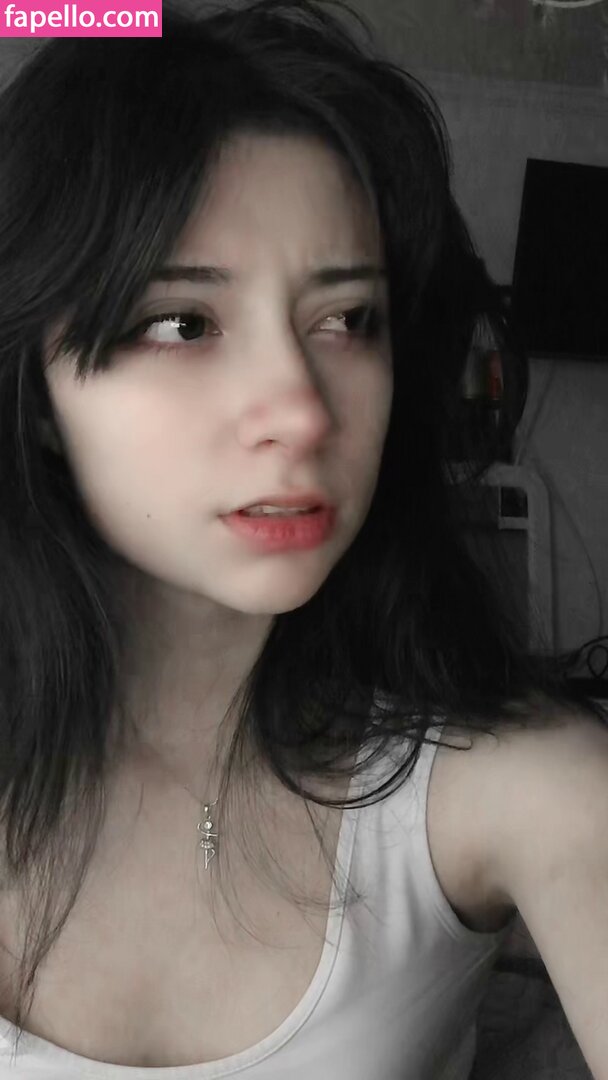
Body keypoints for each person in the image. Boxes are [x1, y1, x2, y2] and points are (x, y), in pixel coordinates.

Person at [0, 1, 606, 1077]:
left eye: (347, 321)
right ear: (39, 393)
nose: (303, 410)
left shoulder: (524, 789)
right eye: (184, 323)